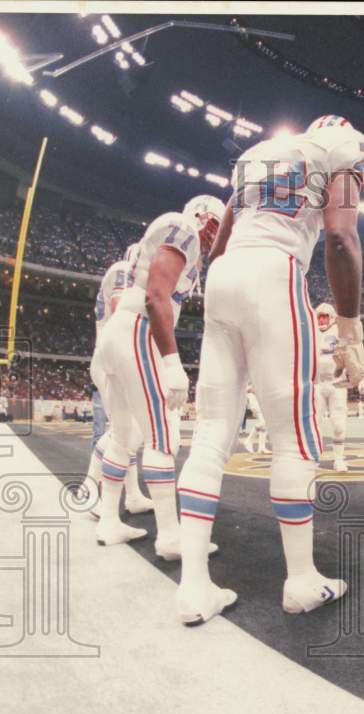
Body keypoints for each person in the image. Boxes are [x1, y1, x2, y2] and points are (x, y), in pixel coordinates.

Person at [174, 114, 364, 625]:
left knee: (211, 434)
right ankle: (302, 580)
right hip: (274, 271)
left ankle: (194, 586)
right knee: (295, 438)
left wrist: (218, 284)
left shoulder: (258, 154)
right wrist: (350, 327)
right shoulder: (342, 148)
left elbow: (221, 236)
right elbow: (340, 237)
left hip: (225, 274)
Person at [94, 196, 223, 560]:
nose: (216, 237)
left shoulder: (183, 240)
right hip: (138, 330)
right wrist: (171, 362)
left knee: (123, 437)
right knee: (162, 435)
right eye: (215, 224)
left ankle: (108, 519)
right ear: (202, 217)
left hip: (120, 333)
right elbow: (155, 297)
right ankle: (170, 536)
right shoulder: (183, 229)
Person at [86, 254, 154, 521]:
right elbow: (120, 312)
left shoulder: (126, 271)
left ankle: (133, 494)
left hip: (117, 356)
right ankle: (90, 490)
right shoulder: (124, 270)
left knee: (129, 432)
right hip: (114, 359)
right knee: (121, 432)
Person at [313, 301, 364, 471]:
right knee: (313, 423)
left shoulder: (339, 332)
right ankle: (312, 457)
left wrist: (362, 377)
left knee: (338, 425)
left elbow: (354, 353)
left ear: (332, 318)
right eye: (319, 317)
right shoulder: (310, 332)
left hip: (337, 384)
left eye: (324, 317)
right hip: (316, 384)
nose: (321, 321)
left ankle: (338, 459)